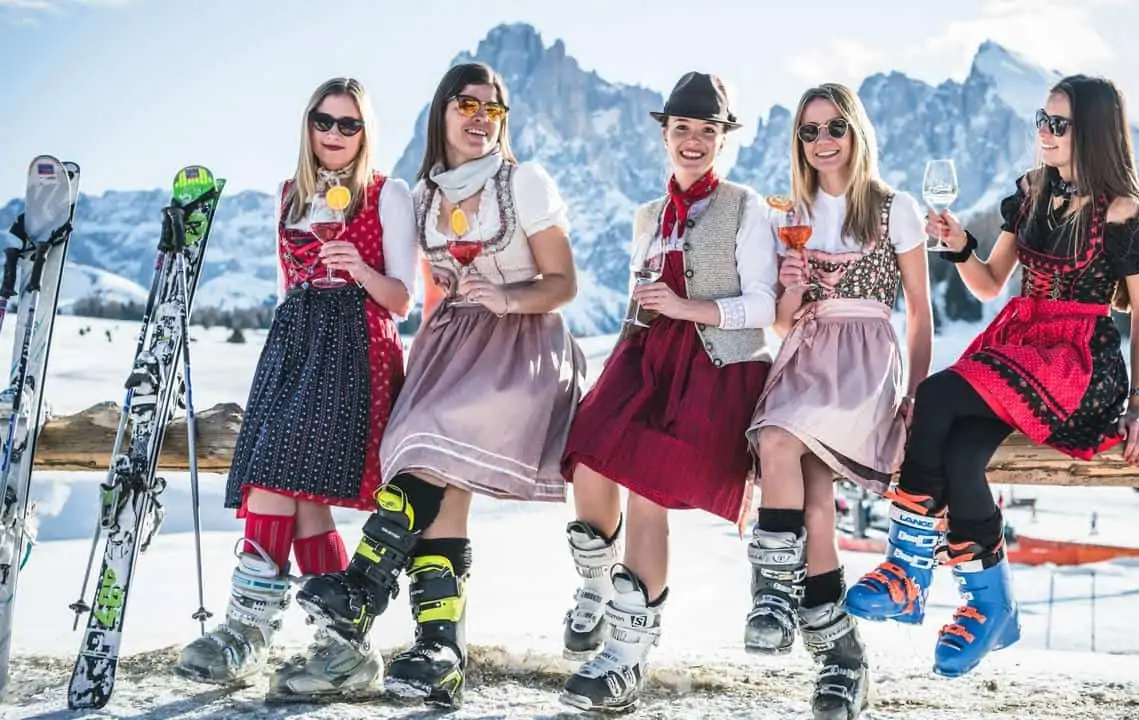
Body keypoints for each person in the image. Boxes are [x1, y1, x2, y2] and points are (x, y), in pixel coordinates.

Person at [273, 61, 585, 706]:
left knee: (430, 449)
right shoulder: (422, 198)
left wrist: (503, 296)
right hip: (451, 348)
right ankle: (437, 647)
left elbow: (564, 285)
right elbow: (424, 291)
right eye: (465, 105)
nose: (478, 118)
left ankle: (363, 589)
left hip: (519, 344)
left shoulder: (523, 182)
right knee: (429, 474)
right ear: (442, 113)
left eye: (492, 109)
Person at [844, 74, 1139, 678]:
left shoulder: (1123, 211)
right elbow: (990, 284)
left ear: (1091, 131)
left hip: (1077, 365)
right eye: (1041, 120)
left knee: (936, 395)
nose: (1043, 131)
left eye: (1057, 124)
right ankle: (993, 607)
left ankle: (909, 568)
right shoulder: (1032, 192)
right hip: (1018, 347)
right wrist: (963, 245)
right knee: (963, 455)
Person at [174, 77, 417, 688]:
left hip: (355, 346)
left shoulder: (389, 194)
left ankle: (246, 631)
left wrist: (358, 268)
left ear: (366, 134)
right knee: (297, 494)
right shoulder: (288, 195)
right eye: (324, 121)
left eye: (349, 124)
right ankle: (342, 645)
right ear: (308, 124)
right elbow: (289, 288)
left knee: (274, 472)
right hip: (294, 345)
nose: (334, 134)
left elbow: (403, 300)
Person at [556, 71, 777, 713]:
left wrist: (686, 306)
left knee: (649, 488)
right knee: (588, 454)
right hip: (645, 356)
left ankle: (627, 651)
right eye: (682, 129)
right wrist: (638, 331)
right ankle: (596, 584)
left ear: (722, 140)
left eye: (707, 132)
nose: (694, 142)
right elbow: (639, 295)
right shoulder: (648, 216)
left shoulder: (745, 206)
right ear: (665, 134)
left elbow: (761, 304)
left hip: (712, 365)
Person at [743, 82, 933, 719]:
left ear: (855, 131)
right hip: (806, 351)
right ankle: (840, 659)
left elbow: (918, 315)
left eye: (833, 128)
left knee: (778, 438)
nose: (822, 142)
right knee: (816, 504)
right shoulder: (789, 213)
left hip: (863, 360)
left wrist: (914, 393)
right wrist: (792, 288)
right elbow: (780, 323)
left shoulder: (892, 208)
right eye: (809, 131)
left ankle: (773, 593)